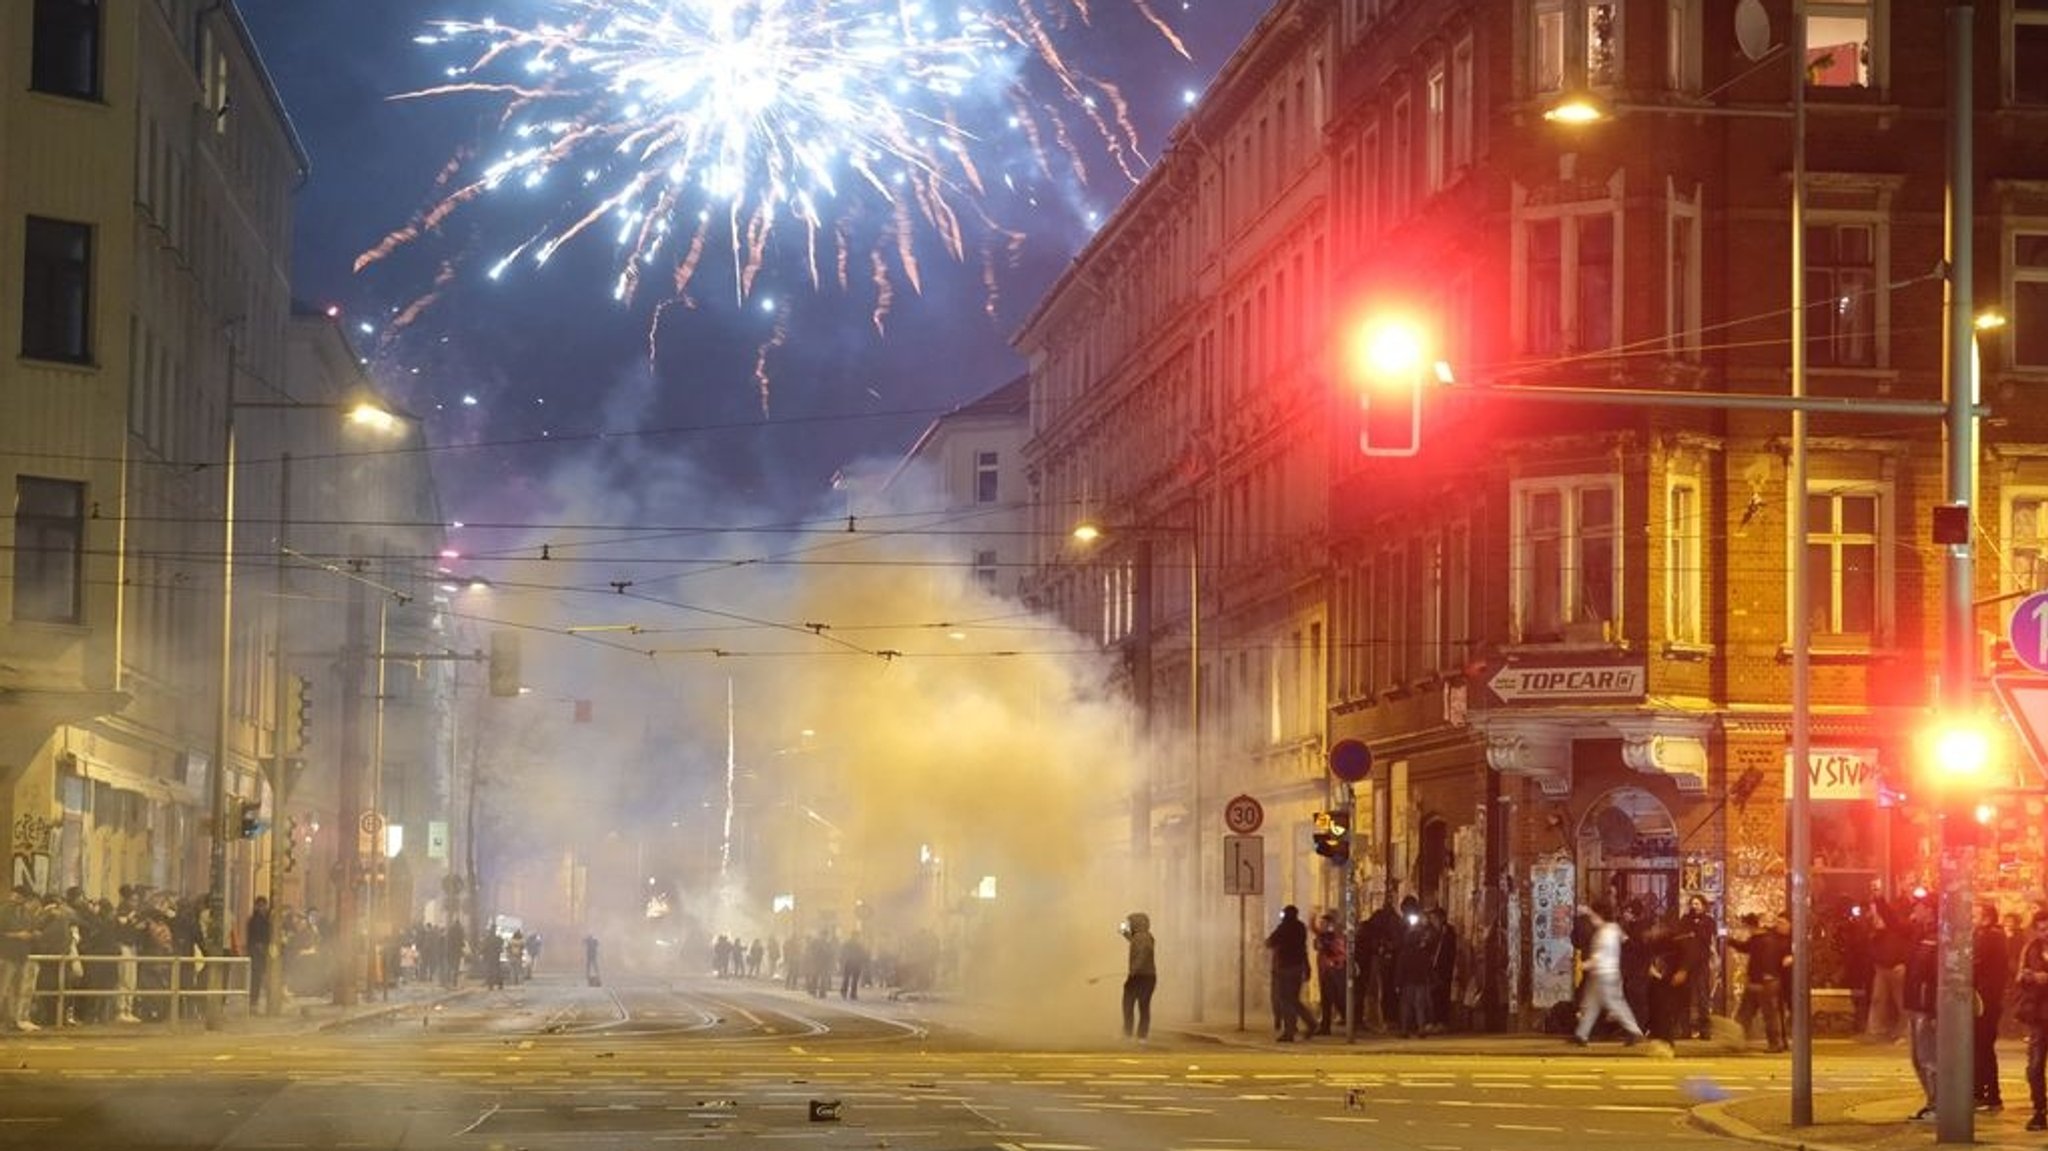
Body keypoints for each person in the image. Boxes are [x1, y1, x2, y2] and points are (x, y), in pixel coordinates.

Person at [1570, 901, 1645, 1046]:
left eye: (1593, 916)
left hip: (1605, 973)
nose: (1591, 920)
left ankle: (1634, 1031)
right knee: (1592, 1004)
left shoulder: (1605, 933)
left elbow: (1601, 955)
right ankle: (1581, 1034)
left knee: (1614, 1004)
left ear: (1599, 916)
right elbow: (1624, 939)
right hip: (1604, 973)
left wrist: (1584, 965)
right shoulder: (1613, 929)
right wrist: (1588, 911)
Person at [1730, 911, 1792, 1053]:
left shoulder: (1764, 940)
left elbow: (1763, 961)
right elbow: (1745, 947)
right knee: (1752, 1013)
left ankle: (1773, 1044)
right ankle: (1738, 1041)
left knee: (1762, 1014)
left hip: (1764, 981)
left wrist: (1759, 979)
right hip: (1765, 980)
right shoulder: (1764, 939)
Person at [1904, 897, 1941, 1121]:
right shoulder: (1919, 934)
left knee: (1928, 1057)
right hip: (1916, 1003)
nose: (1914, 910)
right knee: (1918, 1058)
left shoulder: (1937, 936)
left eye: (1918, 906)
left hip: (1927, 1006)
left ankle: (1938, 1104)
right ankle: (1931, 1101)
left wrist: (1935, 1010)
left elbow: (1934, 975)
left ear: (1929, 909)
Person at [2012, 909, 2048, 1131]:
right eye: (2042, 929)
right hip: (2038, 1016)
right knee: (2035, 1066)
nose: (2046, 933)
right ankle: (2039, 1110)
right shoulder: (2031, 949)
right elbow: (2019, 976)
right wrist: (2029, 977)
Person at [1975, 902, 2009, 1112]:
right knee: (1981, 1046)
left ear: (1986, 917)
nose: (1971, 918)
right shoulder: (1991, 936)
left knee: (1982, 1046)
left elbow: (1974, 962)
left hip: (1986, 999)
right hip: (1987, 997)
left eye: (1975, 914)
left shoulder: (1989, 937)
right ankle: (1985, 1092)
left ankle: (1987, 1093)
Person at [1265, 905, 1316, 1042]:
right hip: (1298, 967)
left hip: (1285, 967)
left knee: (1286, 1000)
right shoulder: (1300, 927)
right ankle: (1310, 1022)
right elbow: (1303, 948)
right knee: (1293, 999)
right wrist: (1307, 967)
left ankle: (1290, 1031)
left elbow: (1270, 942)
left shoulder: (1284, 927)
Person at [1678, 895, 1718, 1038]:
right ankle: (1685, 1030)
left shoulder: (1709, 921)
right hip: (1686, 963)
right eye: (1692, 904)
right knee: (1685, 997)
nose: (1694, 906)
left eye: (1697, 904)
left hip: (1701, 963)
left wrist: (1696, 929)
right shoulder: (1685, 919)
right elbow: (1680, 936)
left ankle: (1704, 1030)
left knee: (1703, 997)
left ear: (1703, 905)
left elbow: (1708, 938)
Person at [1120, 912, 1156, 1042]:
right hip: (1148, 977)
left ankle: (1129, 1034)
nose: (1130, 925)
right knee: (1143, 1006)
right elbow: (1130, 938)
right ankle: (1141, 1036)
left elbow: (1143, 953)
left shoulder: (1142, 937)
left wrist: (1134, 968)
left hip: (1139, 976)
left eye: (1131, 922)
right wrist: (1123, 928)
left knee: (1128, 1003)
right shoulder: (1143, 936)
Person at [1313, 913, 1346, 1036]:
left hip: (1333, 971)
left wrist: (1324, 943)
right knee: (1326, 1000)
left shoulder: (1335, 937)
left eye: (1324, 924)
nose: (1322, 926)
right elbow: (1316, 945)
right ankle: (1325, 1026)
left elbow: (1337, 952)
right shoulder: (1324, 936)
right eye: (1321, 924)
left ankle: (1348, 1019)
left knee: (1337, 998)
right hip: (1324, 971)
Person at [246, 896, 273, 1013]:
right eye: (260, 906)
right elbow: (254, 937)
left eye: (264, 905)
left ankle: (258, 1002)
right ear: (257, 906)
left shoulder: (266, 919)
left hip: (262, 951)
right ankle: (254, 1002)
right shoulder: (255, 920)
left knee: (261, 977)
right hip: (257, 951)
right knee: (256, 977)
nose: (263, 908)